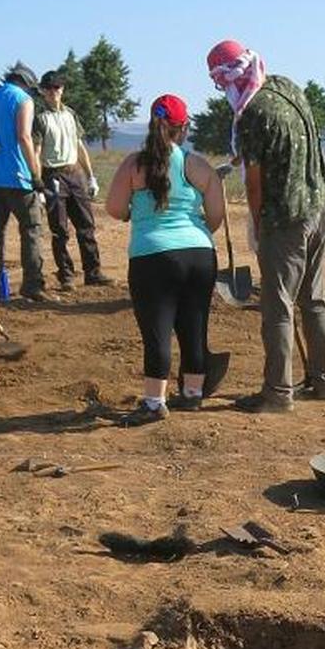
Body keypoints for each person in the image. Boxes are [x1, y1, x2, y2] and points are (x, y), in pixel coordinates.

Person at [206, 39, 325, 413]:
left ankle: (278, 393)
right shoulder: (285, 86)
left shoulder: (251, 113)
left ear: (227, 77)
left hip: (287, 218)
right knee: (313, 299)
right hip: (322, 205)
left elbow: (255, 181)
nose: (223, 90)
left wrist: (257, 221)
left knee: (277, 304)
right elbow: (280, 146)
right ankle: (324, 380)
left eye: (220, 82)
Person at [105, 94, 225, 424]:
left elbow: (114, 209)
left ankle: (155, 402)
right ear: (182, 128)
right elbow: (216, 214)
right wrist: (197, 232)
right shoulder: (196, 164)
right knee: (194, 324)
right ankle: (192, 395)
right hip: (199, 254)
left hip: (152, 255)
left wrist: (136, 214)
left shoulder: (133, 164)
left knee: (158, 330)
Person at [0, 61, 49, 306]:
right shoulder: (23, 100)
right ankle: (32, 286)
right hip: (18, 177)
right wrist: (36, 175)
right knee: (30, 230)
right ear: (27, 84)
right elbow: (24, 136)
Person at [34, 71, 111, 289]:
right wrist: (38, 184)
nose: (53, 92)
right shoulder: (40, 119)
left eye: (56, 88)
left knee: (86, 225)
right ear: (42, 91)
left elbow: (79, 146)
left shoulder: (70, 115)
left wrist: (91, 175)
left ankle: (93, 272)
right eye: (48, 89)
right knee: (60, 229)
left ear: (62, 89)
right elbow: (37, 150)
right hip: (53, 174)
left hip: (75, 173)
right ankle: (66, 275)